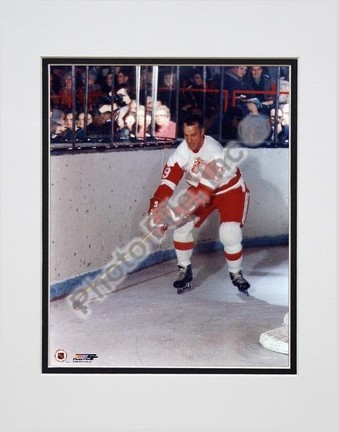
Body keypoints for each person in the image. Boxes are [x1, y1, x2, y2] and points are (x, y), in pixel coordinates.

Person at [148, 114, 251, 295]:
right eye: (186, 136)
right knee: (181, 229)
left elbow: (201, 194)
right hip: (200, 189)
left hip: (229, 191)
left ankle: (236, 273)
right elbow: (167, 183)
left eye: (194, 135)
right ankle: (184, 270)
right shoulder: (182, 150)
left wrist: (169, 217)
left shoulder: (215, 153)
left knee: (229, 232)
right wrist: (156, 208)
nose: (190, 141)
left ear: (202, 132)